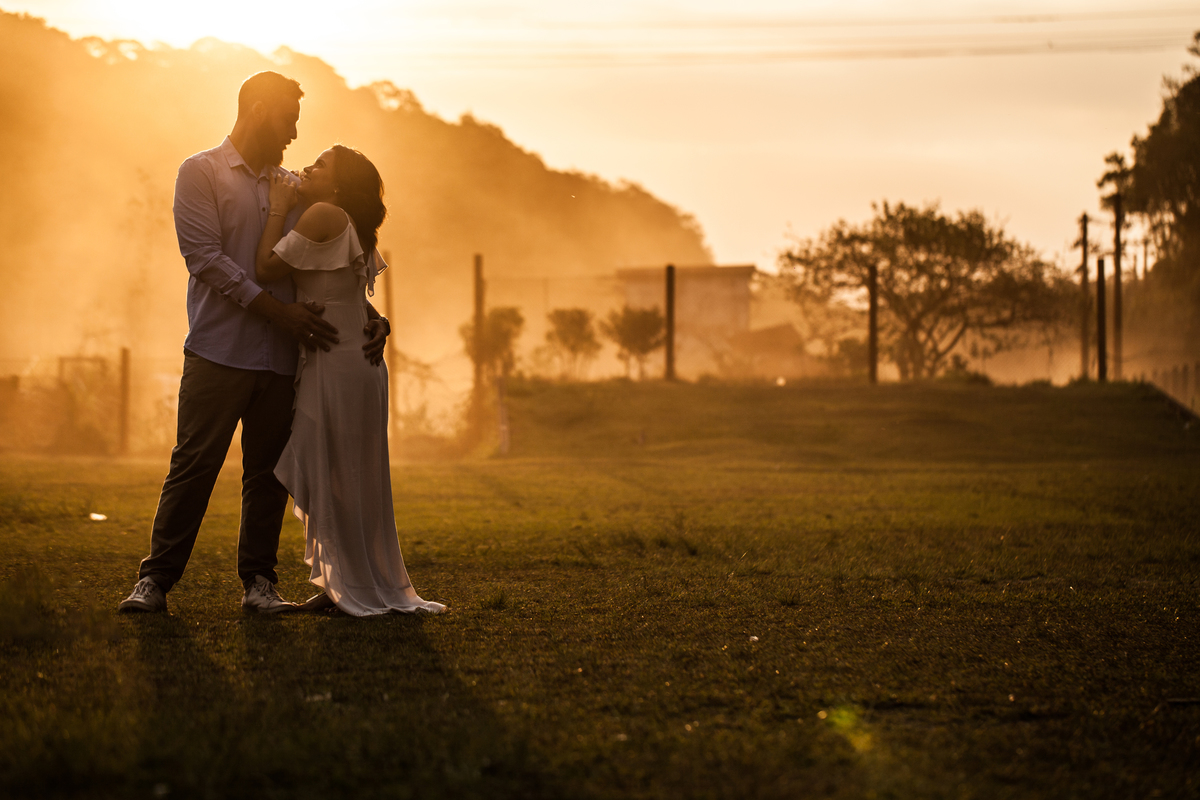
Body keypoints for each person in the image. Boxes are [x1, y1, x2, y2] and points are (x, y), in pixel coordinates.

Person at [118, 72, 391, 614]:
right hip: (219, 349)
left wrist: (372, 313)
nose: (294, 133)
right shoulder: (200, 173)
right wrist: (278, 313)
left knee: (266, 475)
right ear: (262, 108)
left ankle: (259, 585)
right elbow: (205, 258)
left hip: (283, 358)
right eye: (289, 118)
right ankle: (155, 581)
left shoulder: (295, 186)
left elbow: (335, 256)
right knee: (194, 464)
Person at [255, 144, 446, 616]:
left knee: (332, 472)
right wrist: (379, 319)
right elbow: (352, 297)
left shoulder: (322, 213)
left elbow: (264, 268)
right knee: (347, 475)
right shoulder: (350, 222)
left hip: (335, 362)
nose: (308, 168)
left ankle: (349, 584)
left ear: (336, 186)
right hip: (357, 364)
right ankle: (346, 582)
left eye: (320, 165)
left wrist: (278, 206)